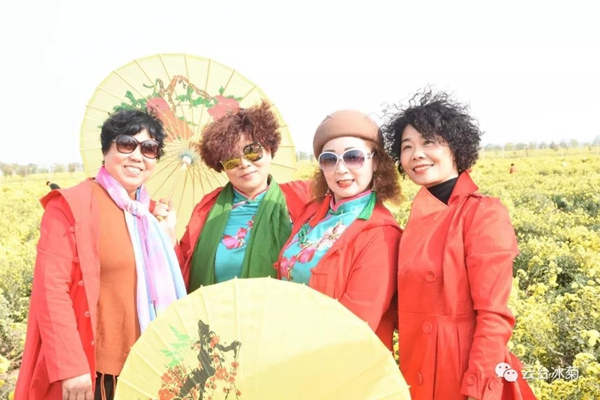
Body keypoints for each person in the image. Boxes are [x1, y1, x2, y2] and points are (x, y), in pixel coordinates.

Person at [15, 109, 187, 400]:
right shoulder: (71, 205)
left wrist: (169, 238)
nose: (137, 156)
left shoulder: (150, 216)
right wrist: (71, 366)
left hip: (148, 367)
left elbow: (166, 289)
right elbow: (50, 289)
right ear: (106, 149)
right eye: (127, 144)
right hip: (95, 374)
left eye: (148, 148)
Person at [381, 89, 536, 399]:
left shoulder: (482, 212)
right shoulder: (416, 217)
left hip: (461, 370)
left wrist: (478, 388)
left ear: (456, 147)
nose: (416, 154)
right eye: (407, 146)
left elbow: (494, 315)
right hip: (417, 364)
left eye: (428, 142)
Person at [274, 110, 402, 350]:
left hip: (339, 358)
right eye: (329, 159)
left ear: (375, 162)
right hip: (290, 347)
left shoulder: (382, 234)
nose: (341, 169)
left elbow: (356, 323)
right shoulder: (312, 212)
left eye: (353, 157)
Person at [160, 101, 310, 292]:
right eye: (231, 159)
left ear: (269, 149)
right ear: (221, 166)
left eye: (252, 151)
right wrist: (169, 235)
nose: (244, 164)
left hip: (280, 308)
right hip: (215, 309)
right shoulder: (208, 208)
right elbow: (183, 272)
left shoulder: (302, 199)